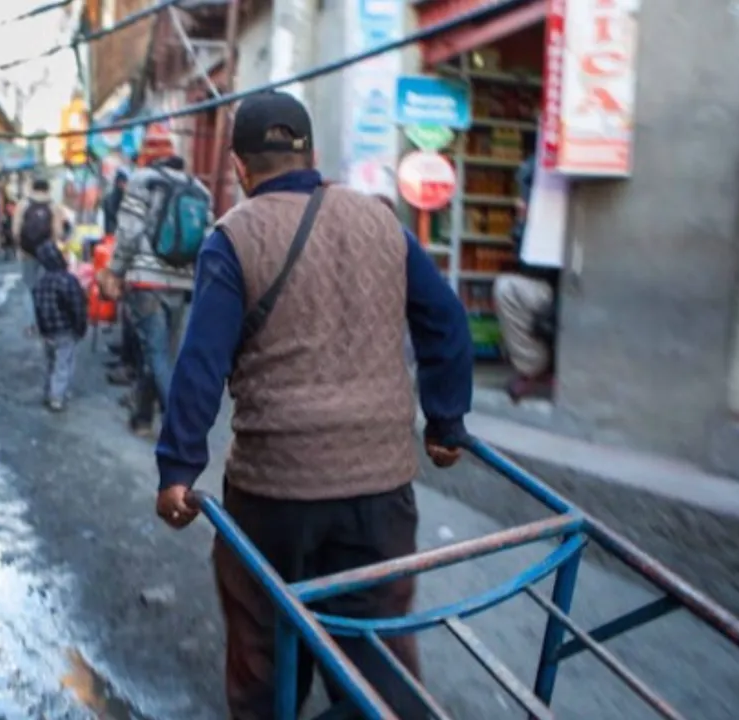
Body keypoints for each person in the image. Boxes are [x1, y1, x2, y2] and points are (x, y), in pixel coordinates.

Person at [153, 92, 474, 719]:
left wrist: (178, 469)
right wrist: (446, 422)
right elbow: (447, 321)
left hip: (276, 493)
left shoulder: (235, 236)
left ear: (242, 168)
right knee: (372, 654)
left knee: (265, 654)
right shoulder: (384, 221)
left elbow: (200, 364)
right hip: (381, 491)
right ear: (313, 155)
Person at [102, 147, 212, 437]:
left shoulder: (143, 181)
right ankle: (141, 419)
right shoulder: (200, 189)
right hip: (181, 283)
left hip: (146, 280)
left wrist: (115, 270)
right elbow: (208, 238)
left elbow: (128, 232)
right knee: (160, 353)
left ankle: (180, 424)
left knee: (156, 352)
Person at [494, 153, 559, 402]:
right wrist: (524, 225)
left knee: (507, 289)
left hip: (567, 293)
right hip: (552, 292)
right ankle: (531, 365)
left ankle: (533, 367)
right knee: (510, 287)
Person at [31, 241, 88, 412]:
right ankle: (57, 397)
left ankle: (49, 392)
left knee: (51, 363)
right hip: (66, 330)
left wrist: (41, 329)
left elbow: (38, 309)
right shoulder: (68, 280)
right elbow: (78, 306)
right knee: (64, 363)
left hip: (48, 330)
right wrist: (80, 327)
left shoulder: (40, 283)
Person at [14, 178, 71, 335]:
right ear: (48, 189)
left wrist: (20, 247)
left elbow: (16, 230)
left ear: (32, 187)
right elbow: (58, 233)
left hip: (27, 252)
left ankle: (30, 325)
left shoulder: (23, 205)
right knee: (45, 287)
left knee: (28, 288)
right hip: (47, 253)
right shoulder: (53, 206)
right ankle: (44, 323)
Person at [101, 169, 129, 237]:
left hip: (116, 232)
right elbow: (113, 214)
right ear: (118, 182)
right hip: (112, 233)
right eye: (123, 182)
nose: (124, 185)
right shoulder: (112, 197)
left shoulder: (123, 196)